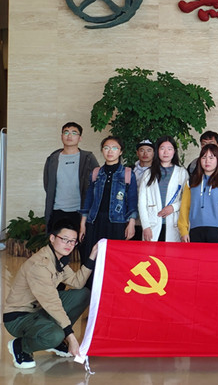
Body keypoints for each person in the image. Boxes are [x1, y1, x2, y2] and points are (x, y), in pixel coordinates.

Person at [3, 220, 98, 369]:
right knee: (55, 335)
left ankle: (57, 340)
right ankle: (21, 346)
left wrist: (93, 255)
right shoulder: (40, 265)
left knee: (83, 294)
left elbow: (77, 282)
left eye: (73, 241)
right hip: (19, 317)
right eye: (65, 239)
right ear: (52, 238)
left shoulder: (58, 259)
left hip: (40, 310)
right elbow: (51, 303)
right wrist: (71, 337)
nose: (69, 245)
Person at [79, 137, 137, 282]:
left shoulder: (128, 173)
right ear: (102, 150)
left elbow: (132, 200)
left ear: (120, 151)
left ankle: (112, 289)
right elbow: (88, 199)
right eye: (106, 148)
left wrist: (131, 223)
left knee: (115, 258)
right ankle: (90, 290)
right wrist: (83, 224)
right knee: (92, 256)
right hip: (95, 221)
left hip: (117, 223)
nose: (110, 151)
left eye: (114, 148)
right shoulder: (96, 173)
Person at [44, 122, 99, 233]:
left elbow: (97, 182)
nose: (69, 136)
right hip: (57, 210)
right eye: (66, 132)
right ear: (61, 136)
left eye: (74, 133)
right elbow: (47, 183)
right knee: (58, 241)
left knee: (81, 242)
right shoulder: (52, 159)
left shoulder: (88, 158)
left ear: (80, 138)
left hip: (81, 211)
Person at [178, 144, 218, 243]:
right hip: (194, 230)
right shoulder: (191, 181)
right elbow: (185, 207)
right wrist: (183, 231)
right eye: (204, 157)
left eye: (211, 158)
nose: (207, 161)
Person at [138, 136, 189, 242]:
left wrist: (173, 207)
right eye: (162, 148)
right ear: (157, 151)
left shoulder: (181, 172)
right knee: (151, 252)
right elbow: (142, 202)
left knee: (172, 252)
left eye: (169, 149)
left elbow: (187, 199)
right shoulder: (148, 173)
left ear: (174, 151)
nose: (166, 152)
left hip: (173, 223)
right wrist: (146, 226)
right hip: (152, 224)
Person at [133, 139, 154, 241]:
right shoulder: (130, 170)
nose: (145, 153)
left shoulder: (158, 171)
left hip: (151, 218)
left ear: (154, 153)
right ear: (137, 153)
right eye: (142, 150)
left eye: (149, 150)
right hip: (134, 217)